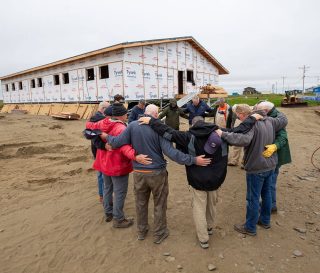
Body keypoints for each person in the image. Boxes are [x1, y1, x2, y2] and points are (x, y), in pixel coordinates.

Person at [103, 104, 211, 244]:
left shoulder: (132, 125)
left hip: (139, 173)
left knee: (140, 203)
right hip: (157, 173)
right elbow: (172, 153)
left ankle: (142, 231)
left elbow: (117, 142)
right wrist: (193, 160)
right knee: (159, 203)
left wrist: (106, 137)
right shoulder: (158, 127)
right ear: (155, 115)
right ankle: (159, 233)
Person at [138, 115, 228, 249]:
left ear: (193, 124)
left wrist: (151, 121)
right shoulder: (222, 135)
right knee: (212, 204)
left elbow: (168, 132)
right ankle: (209, 227)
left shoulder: (187, 136)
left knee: (199, 207)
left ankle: (203, 238)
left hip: (197, 179)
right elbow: (241, 133)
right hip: (216, 178)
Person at [216, 104, 288, 236]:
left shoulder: (252, 125)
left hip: (257, 167)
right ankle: (265, 221)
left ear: (247, 114)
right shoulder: (271, 120)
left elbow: (242, 140)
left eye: (239, 115)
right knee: (267, 194)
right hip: (270, 165)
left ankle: (250, 227)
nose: (238, 117)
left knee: (253, 198)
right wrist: (273, 108)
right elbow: (283, 119)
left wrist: (223, 134)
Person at [86, 103, 152, 227]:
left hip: (104, 163)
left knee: (107, 188)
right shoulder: (121, 128)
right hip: (117, 165)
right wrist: (135, 156)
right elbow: (124, 147)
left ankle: (108, 213)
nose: (127, 115)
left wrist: (102, 143)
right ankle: (118, 219)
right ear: (121, 115)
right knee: (119, 192)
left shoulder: (103, 123)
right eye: (125, 113)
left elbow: (89, 127)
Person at [255, 101, 292, 213]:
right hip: (270, 154)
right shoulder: (274, 115)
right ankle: (271, 203)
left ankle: (271, 205)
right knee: (269, 181)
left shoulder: (275, 118)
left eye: (259, 111)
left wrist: (275, 146)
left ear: (265, 110)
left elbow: (283, 137)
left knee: (270, 182)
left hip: (275, 155)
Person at [90, 101, 110, 202]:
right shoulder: (99, 119)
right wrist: (104, 146)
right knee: (103, 175)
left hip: (97, 150)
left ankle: (102, 195)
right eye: (108, 109)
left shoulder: (94, 117)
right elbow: (94, 138)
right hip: (100, 150)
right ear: (103, 109)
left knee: (101, 175)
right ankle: (104, 196)